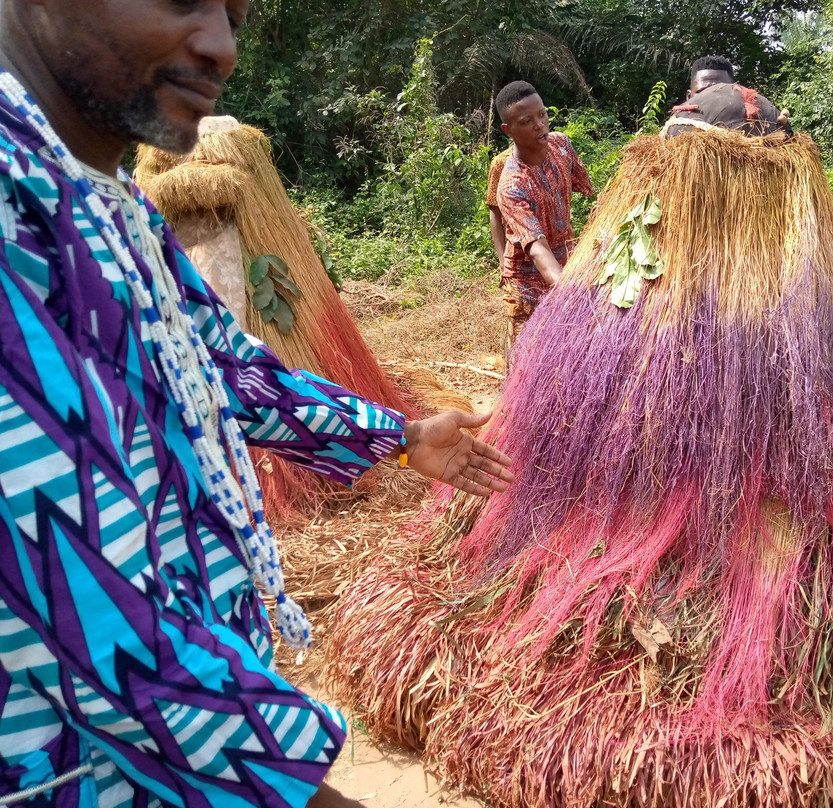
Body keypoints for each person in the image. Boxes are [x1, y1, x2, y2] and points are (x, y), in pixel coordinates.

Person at [0, 3, 514, 808]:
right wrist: (306, 795)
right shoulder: (12, 203)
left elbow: (224, 364)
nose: (223, 46)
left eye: (235, 14)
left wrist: (402, 435)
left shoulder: (110, 200)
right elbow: (92, 610)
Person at [495, 80, 594, 361]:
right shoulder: (512, 185)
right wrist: (568, 290)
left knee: (570, 352)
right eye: (527, 121)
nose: (540, 125)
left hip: (567, 261)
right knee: (528, 361)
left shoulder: (561, 146)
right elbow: (537, 248)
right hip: (527, 280)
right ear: (508, 130)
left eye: (542, 115)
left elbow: (587, 191)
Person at [665, 55, 792, 138]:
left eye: (721, 91)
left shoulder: (763, 125)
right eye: (703, 92)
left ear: (737, 92)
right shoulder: (673, 130)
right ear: (689, 98)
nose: (711, 98)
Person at [485, 145, 513, 263]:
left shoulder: (556, 153)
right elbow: (495, 211)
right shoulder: (501, 163)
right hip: (517, 252)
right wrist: (502, 259)